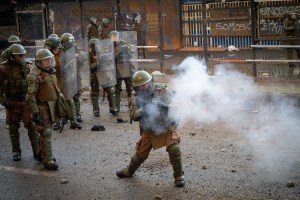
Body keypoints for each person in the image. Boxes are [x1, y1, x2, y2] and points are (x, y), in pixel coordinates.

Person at [116, 70, 185, 187]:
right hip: (149, 128)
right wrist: (146, 108)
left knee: (173, 148)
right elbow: (133, 116)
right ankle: (129, 171)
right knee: (140, 154)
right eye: (141, 85)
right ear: (136, 87)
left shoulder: (162, 90)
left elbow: (175, 106)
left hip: (165, 125)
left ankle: (179, 176)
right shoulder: (135, 97)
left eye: (147, 83)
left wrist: (171, 115)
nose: (145, 86)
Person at [0, 44, 39, 161]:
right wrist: (4, 101)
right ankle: (16, 151)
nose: (23, 57)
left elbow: (35, 83)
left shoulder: (28, 66)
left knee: (32, 126)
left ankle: (37, 151)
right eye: (19, 55)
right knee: (13, 127)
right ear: (12, 56)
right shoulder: (3, 68)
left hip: (26, 102)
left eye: (23, 54)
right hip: (12, 103)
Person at [26, 49, 60, 170]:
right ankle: (49, 160)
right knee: (46, 132)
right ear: (39, 62)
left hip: (50, 106)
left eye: (50, 59)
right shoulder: (34, 75)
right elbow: (30, 96)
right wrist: (35, 112)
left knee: (45, 132)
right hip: (41, 107)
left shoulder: (50, 72)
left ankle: (42, 154)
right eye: (46, 60)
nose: (50, 61)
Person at [88, 38, 118, 116]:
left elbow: (109, 62)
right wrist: (98, 63)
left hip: (103, 73)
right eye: (95, 46)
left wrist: (106, 59)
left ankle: (113, 108)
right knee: (94, 92)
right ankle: (96, 110)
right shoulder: (89, 55)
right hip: (94, 74)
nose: (97, 48)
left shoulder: (102, 53)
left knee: (111, 89)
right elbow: (89, 67)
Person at [59, 33, 82, 129]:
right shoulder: (61, 56)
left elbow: (81, 65)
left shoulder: (75, 53)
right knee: (69, 100)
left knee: (76, 98)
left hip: (75, 79)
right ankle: (70, 117)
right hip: (66, 81)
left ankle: (77, 115)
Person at [110, 31, 134, 111]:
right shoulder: (109, 46)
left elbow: (131, 54)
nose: (114, 39)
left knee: (130, 88)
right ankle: (116, 107)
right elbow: (110, 58)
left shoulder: (125, 44)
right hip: (117, 69)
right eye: (112, 37)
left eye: (115, 37)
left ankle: (132, 106)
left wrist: (126, 50)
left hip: (126, 67)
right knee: (117, 89)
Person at [283, 13, 300, 77]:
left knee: (298, 50)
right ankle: (291, 63)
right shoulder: (288, 21)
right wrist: (293, 28)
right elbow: (285, 28)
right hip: (289, 38)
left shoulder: (297, 22)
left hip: (295, 38)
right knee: (290, 51)